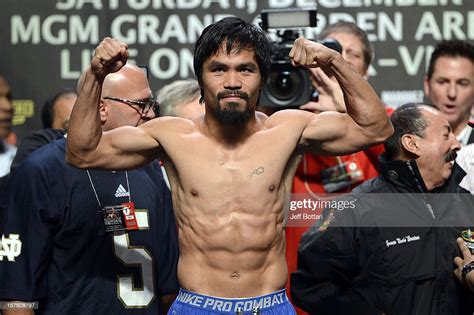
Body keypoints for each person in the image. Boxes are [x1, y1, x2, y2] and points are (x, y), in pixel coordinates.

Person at [66, 17, 393, 314]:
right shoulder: (171, 135)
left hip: (271, 304)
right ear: (201, 78)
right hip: (198, 305)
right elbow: (83, 152)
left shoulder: (289, 130)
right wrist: (96, 75)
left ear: (262, 77)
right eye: (219, 69)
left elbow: (376, 128)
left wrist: (333, 61)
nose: (232, 81)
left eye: (245, 69)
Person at [0, 63, 179, 314]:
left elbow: (169, 289)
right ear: (102, 108)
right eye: (141, 105)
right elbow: (17, 296)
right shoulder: (43, 171)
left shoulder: (150, 169)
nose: (150, 114)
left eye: (152, 105)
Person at [291, 103, 474, 314]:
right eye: (446, 134)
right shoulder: (356, 210)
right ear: (411, 143)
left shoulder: (466, 204)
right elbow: (310, 285)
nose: (457, 144)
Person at [282, 22, 391, 314]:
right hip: (299, 296)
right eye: (329, 50)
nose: (333, 60)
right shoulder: (288, 120)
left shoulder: (383, 125)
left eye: (346, 55)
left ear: (365, 73)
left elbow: (401, 158)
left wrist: (347, 107)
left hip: (363, 291)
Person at [424, 40, 474, 146]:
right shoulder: (409, 147)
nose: (452, 93)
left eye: (462, 83)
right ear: (427, 85)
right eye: (443, 82)